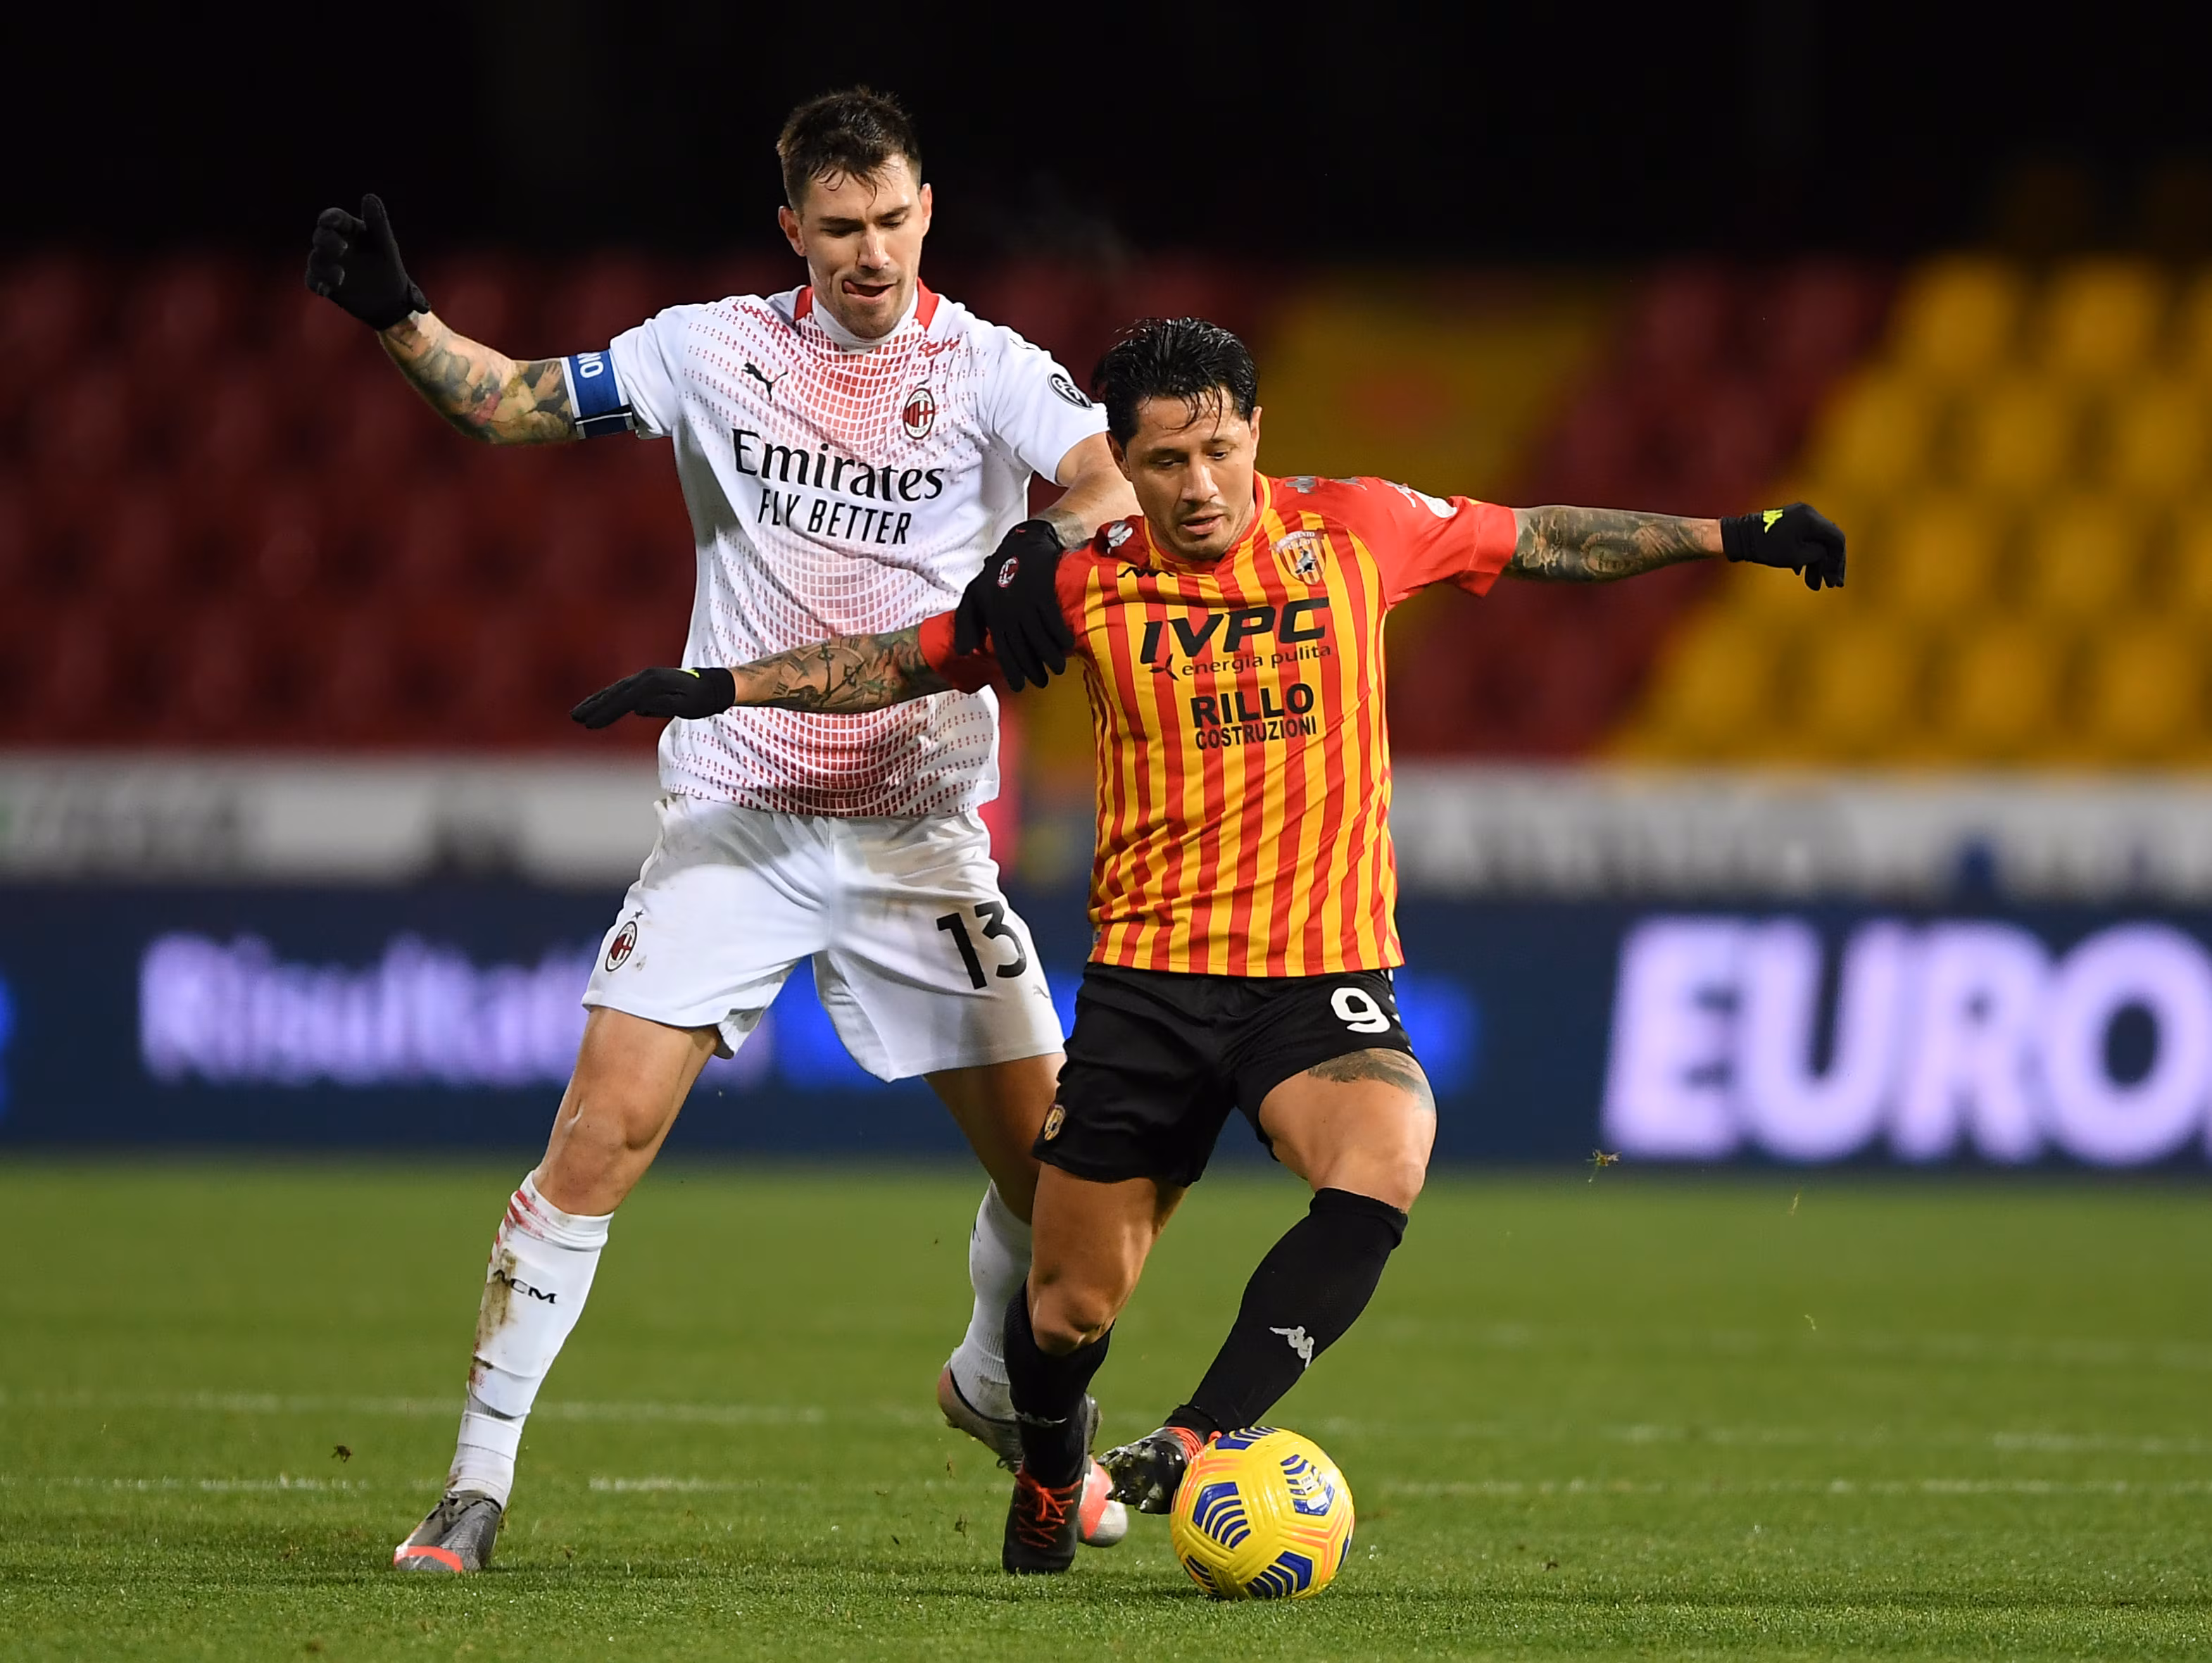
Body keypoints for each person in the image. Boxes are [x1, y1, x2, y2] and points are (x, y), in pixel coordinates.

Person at [572, 317, 1846, 1575]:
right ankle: (1051, 1469)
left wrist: (1738, 536)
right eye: (1166, 462)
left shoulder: (1355, 528)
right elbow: (905, 661)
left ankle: (1199, 1431)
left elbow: (1548, 538)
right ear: (1119, 460)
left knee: (1387, 1147)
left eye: (1221, 451)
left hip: (1317, 975)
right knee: (1068, 1307)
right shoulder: (1083, 582)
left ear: (1255, 436)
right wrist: (719, 689)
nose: (1199, 486)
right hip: (1151, 990)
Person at [303, 87, 1138, 1574]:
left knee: (1066, 1184)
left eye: (890, 220)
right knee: (595, 1138)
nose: (869, 253)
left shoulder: (991, 369)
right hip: (737, 819)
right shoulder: (714, 348)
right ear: (791, 232)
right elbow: (510, 404)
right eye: (838, 229)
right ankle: (472, 1483)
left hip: (916, 835)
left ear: (925, 208)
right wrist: (401, 323)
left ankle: (994, 1387)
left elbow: (1103, 475)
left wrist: (1037, 537)